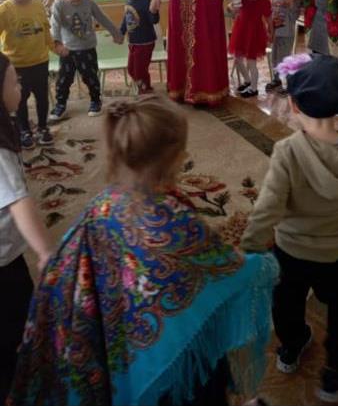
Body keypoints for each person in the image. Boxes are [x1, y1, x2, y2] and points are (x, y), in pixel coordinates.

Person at [8, 95, 278, 406]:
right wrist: (265, 263)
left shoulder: (101, 206)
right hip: (169, 368)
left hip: (116, 346)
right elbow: (227, 270)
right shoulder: (176, 221)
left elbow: (66, 271)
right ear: (175, 159)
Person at [241, 53, 338, 403]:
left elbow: (268, 207)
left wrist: (251, 245)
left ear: (293, 104)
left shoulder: (287, 152)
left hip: (291, 252)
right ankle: (335, 368)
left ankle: (292, 346)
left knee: (285, 302)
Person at [0, 51, 53, 404]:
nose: (20, 88)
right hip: (3, 265)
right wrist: (46, 251)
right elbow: (18, 202)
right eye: (14, 82)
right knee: (15, 325)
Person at [0, 0, 66, 149]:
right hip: (17, 65)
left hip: (40, 61)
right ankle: (24, 130)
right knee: (20, 100)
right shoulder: (4, 11)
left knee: (42, 96)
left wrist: (55, 47)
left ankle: (43, 127)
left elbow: (45, 32)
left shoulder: (38, 5)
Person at [49, 0, 122, 121]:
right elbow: (54, 25)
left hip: (87, 48)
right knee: (63, 80)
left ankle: (95, 100)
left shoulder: (88, 2)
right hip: (67, 51)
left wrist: (116, 33)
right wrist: (57, 44)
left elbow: (102, 18)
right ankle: (61, 104)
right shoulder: (58, 5)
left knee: (91, 77)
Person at [228, 0, 271, 98]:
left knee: (251, 62)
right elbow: (231, 8)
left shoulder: (263, 2)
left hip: (254, 34)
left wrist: (271, 33)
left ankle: (254, 88)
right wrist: (231, 8)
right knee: (237, 58)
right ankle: (247, 81)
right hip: (240, 32)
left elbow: (269, 19)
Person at [117, 0, 159, 95]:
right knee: (131, 69)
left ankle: (145, 90)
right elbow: (126, 19)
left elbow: (153, 20)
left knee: (140, 70)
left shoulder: (146, 2)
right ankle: (142, 86)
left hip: (145, 42)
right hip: (133, 42)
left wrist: (154, 11)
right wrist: (121, 32)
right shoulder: (129, 1)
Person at [265, 0, 300, 95]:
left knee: (284, 59)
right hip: (276, 32)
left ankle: (290, 84)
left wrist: (289, 6)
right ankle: (277, 80)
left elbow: (295, 16)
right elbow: (271, 13)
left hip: (287, 33)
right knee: (275, 57)